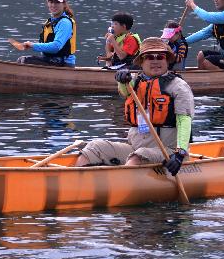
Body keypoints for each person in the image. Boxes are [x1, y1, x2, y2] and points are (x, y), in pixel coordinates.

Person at [75, 37, 194, 175]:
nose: (155, 60)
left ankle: (122, 185)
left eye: (160, 56)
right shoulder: (135, 81)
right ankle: (76, 182)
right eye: (149, 57)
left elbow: (184, 121)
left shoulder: (179, 87)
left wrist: (179, 154)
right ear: (142, 62)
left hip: (168, 151)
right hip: (135, 148)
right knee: (95, 147)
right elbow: (125, 90)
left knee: (138, 156)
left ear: (167, 60)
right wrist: (121, 79)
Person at [16, 0, 76, 67]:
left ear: (64, 4)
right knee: (21, 60)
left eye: (57, 2)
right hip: (51, 61)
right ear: (47, 3)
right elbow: (45, 46)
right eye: (51, 2)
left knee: (25, 60)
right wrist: (30, 45)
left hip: (64, 64)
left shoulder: (65, 23)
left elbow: (56, 47)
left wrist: (33, 45)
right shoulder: (49, 22)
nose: (53, 5)